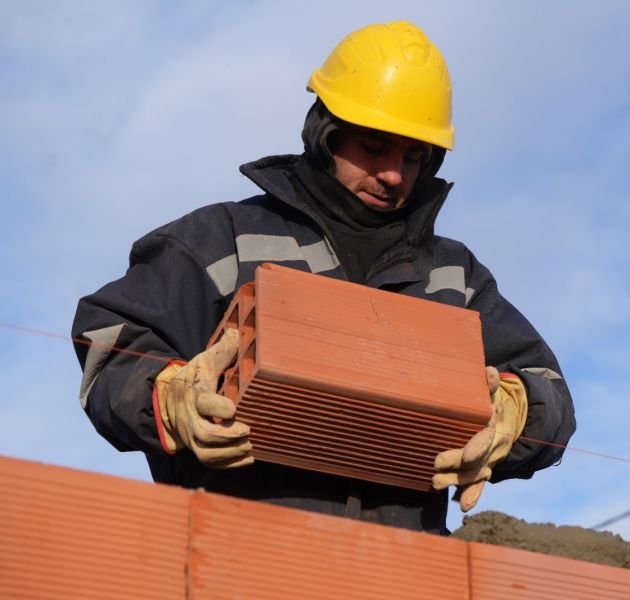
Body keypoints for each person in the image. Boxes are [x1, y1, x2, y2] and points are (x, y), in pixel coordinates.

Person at [72, 21, 576, 535]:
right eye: (374, 146)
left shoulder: (455, 276)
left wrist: (512, 412)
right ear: (325, 133)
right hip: (232, 563)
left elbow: (552, 393)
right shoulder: (222, 239)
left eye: (413, 155)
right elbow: (108, 339)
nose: (394, 174)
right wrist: (169, 397)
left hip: (404, 574)